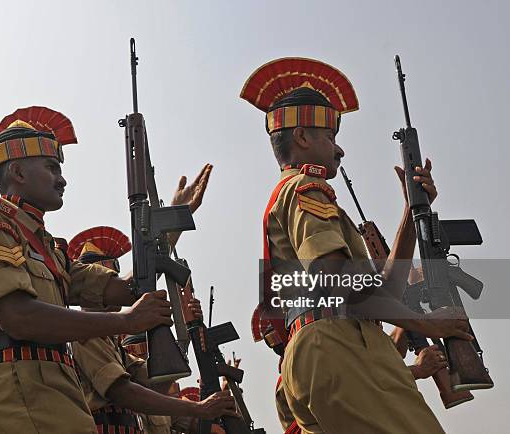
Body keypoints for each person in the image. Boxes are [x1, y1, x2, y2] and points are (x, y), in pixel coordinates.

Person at [240, 57, 472, 433]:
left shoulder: (299, 195)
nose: (339, 150)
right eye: (330, 137)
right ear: (302, 137)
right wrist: (429, 322)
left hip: (334, 345)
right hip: (338, 344)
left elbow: (386, 290)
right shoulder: (304, 188)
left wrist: (412, 212)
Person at [0, 106, 175, 433]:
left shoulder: (49, 248)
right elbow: (20, 316)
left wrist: (158, 238)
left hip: (58, 389)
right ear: (18, 172)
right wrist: (127, 321)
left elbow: (121, 290)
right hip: (19, 390)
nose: (62, 178)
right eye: (51, 167)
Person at [69, 225, 235, 434]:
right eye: (110, 280)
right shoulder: (85, 335)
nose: (119, 286)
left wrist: (187, 326)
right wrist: (198, 408)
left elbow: (158, 381)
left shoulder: (111, 344)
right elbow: (124, 393)